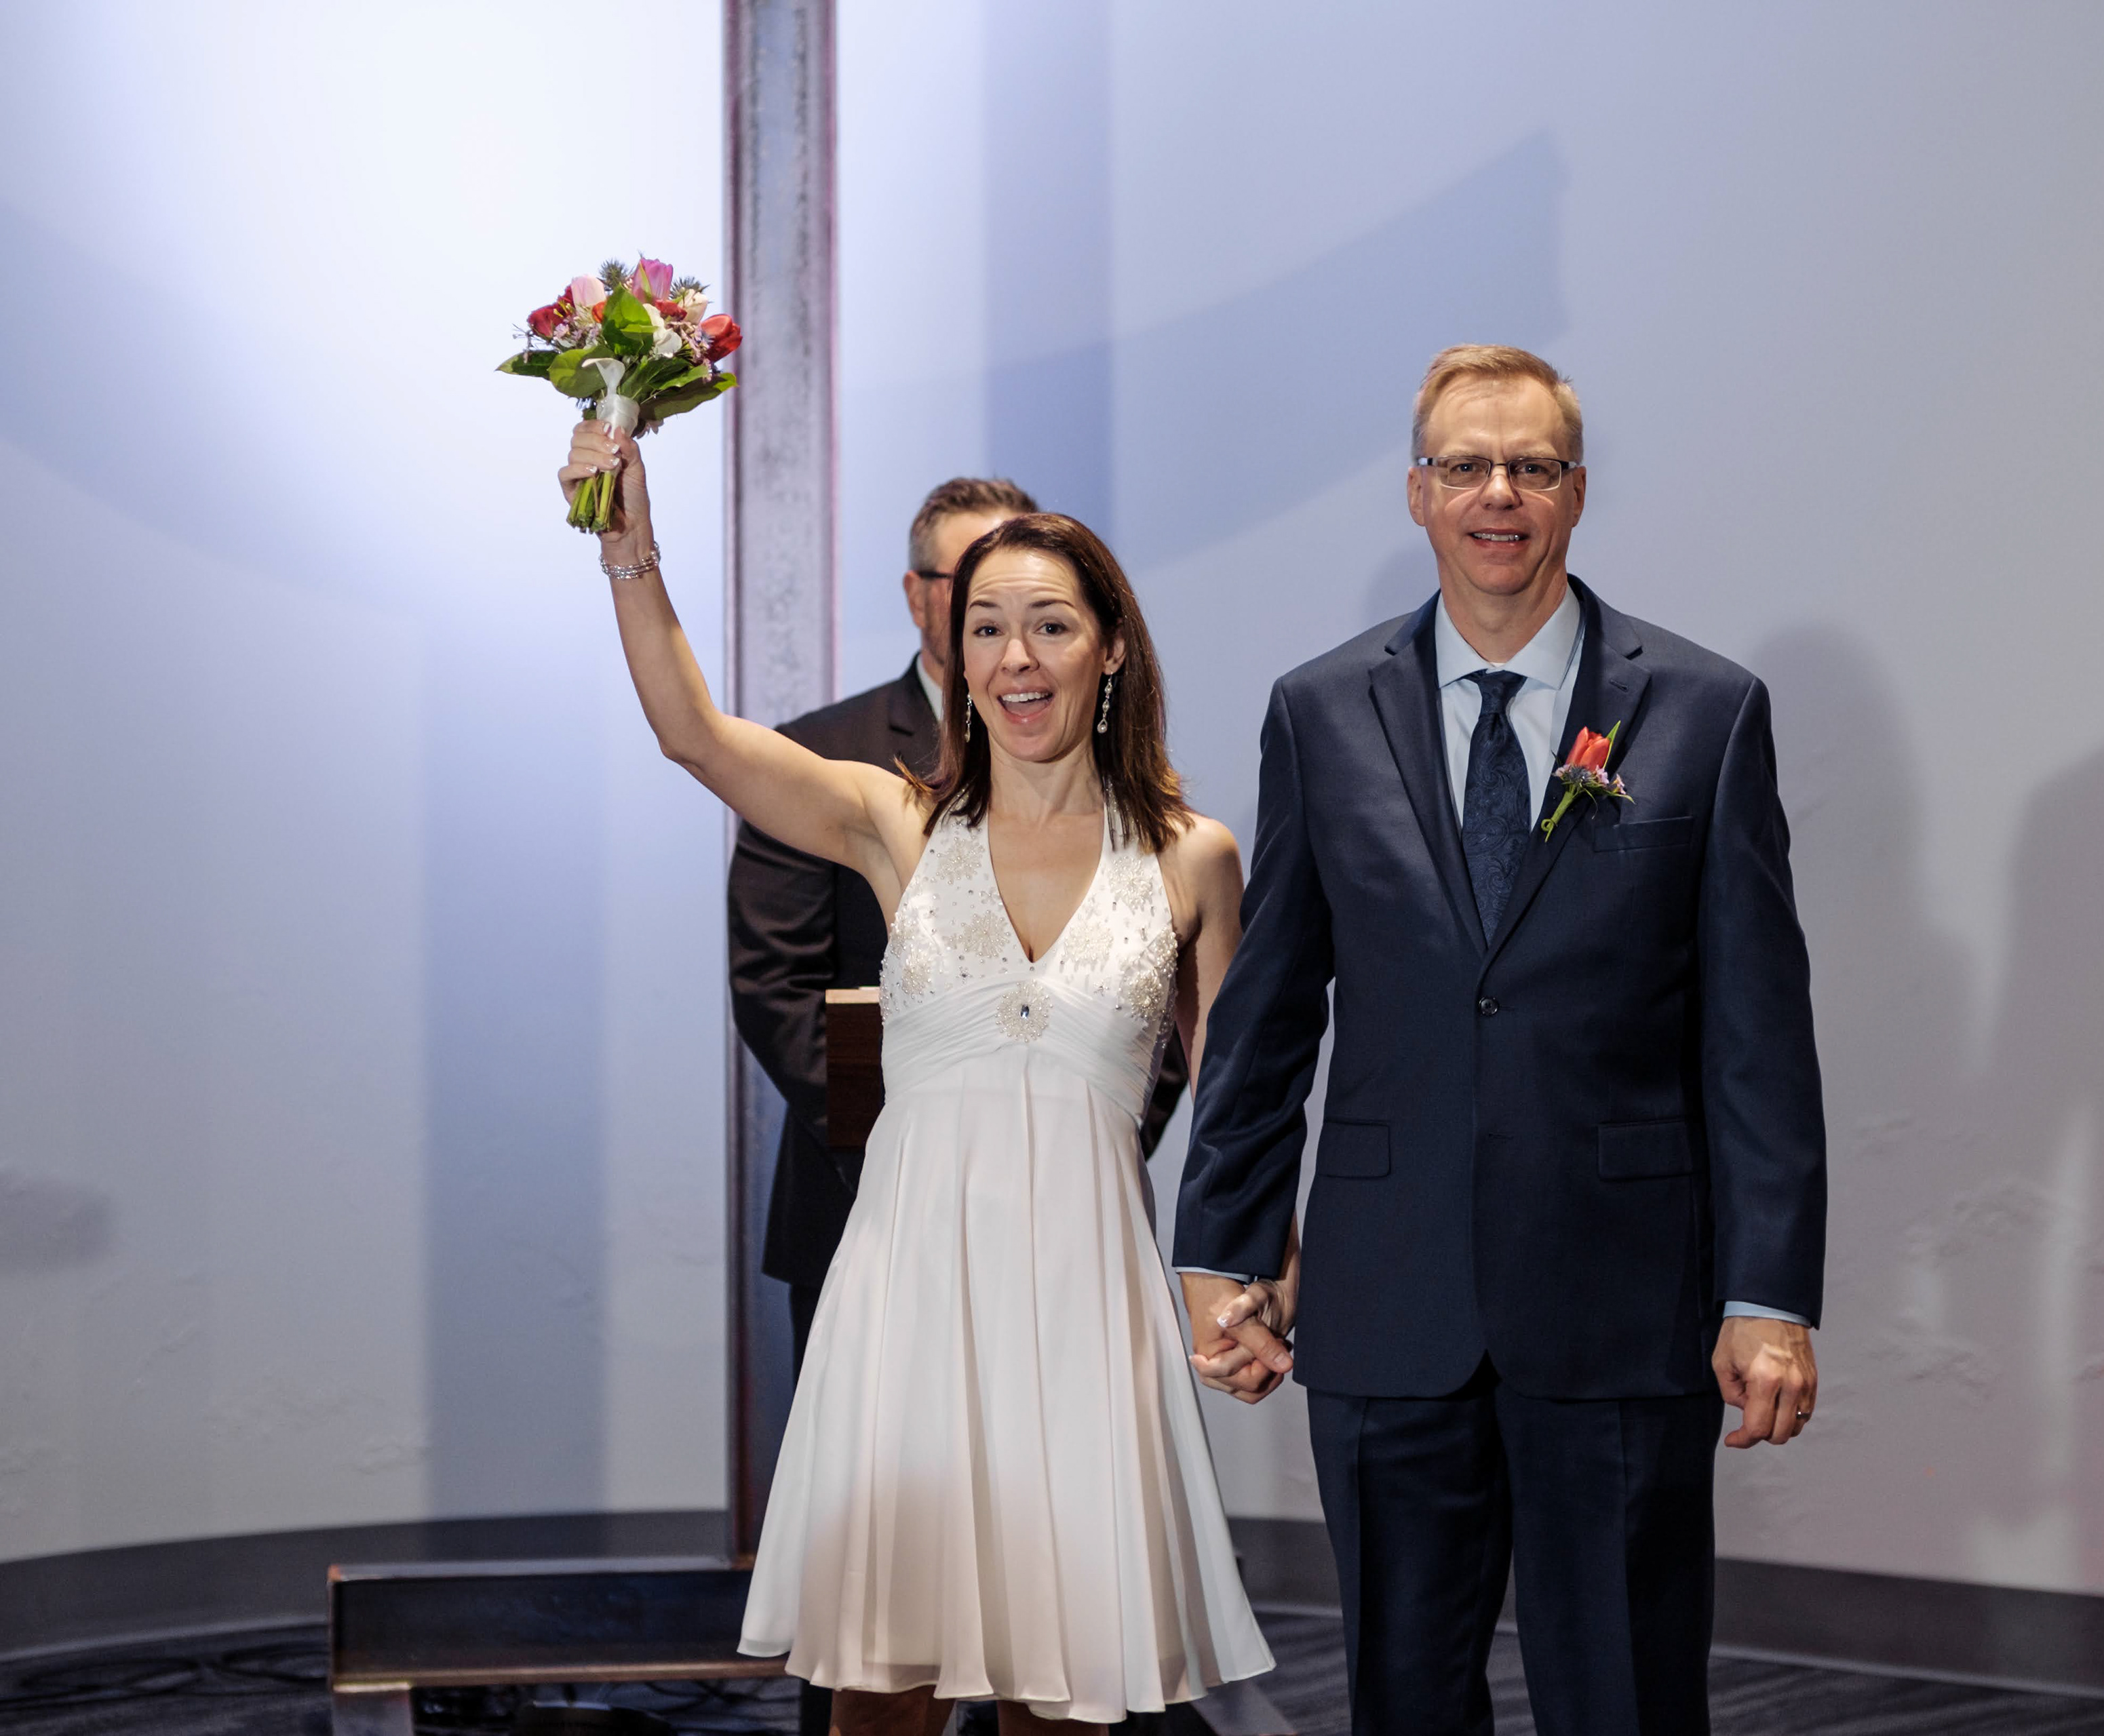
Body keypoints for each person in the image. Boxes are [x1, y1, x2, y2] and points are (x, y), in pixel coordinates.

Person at [559, 422, 1272, 1734]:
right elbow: (693, 736)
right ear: (954, 645)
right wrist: (627, 540)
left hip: (1088, 1311)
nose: (1015, 657)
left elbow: (1243, 1107)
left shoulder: (1195, 857)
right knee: (881, 1699)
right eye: (986, 627)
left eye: (1050, 625)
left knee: (1068, 1693)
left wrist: (1257, 1281)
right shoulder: (896, 823)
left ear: (1112, 647)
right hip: (908, 1303)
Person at [1172, 345, 1827, 1736]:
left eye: (1532, 467)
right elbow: (1269, 1012)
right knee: (1404, 1702)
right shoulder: (1319, 710)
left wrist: (1769, 1292)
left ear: (1577, 492)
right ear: (1418, 491)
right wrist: (1225, 1246)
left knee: (1628, 1699)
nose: (1499, 495)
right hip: (1388, 1302)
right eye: (1465, 466)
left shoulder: (1706, 710)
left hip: (1622, 1302)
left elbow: (1758, 1037)